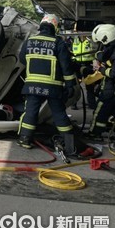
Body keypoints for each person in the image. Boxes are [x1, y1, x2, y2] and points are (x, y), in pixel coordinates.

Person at [17, 14, 77, 150]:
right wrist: (70, 85)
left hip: (32, 86)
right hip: (53, 87)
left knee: (30, 112)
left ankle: (25, 139)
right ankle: (69, 144)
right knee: (59, 113)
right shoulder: (58, 42)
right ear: (55, 27)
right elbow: (66, 66)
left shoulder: (30, 41)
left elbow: (22, 59)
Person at [88, 24, 115, 139]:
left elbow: (114, 73)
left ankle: (94, 133)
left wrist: (100, 69)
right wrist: (97, 58)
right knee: (113, 112)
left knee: (100, 111)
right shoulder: (113, 46)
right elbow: (103, 54)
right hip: (112, 88)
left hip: (112, 89)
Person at [71, 34, 98, 109]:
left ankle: (92, 104)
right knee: (75, 85)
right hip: (76, 65)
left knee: (90, 86)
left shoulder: (91, 41)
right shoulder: (74, 40)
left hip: (88, 65)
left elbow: (96, 50)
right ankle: (73, 104)